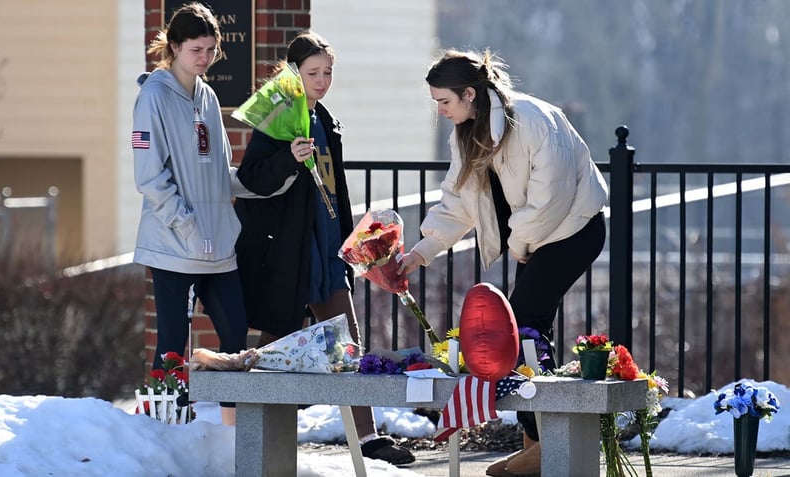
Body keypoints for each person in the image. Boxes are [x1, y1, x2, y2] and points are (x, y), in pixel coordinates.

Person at [397, 49, 609, 476]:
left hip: (575, 227)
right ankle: (541, 442)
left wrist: (521, 243)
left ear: (470, 94)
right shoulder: (466, 133)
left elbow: (553, 194)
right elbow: (457, 201)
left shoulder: (532, 118)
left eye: (445, 101)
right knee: (528, 332)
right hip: (532, 239)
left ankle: (551, 441)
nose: (440, 112)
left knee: (522, 324)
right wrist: (420, 251)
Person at [233, 31, 415, 466]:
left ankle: (367, 437)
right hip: (290, 251)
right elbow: (252, 178)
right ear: (293, 73)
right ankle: (250, 432)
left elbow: (336, 189)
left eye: (328, 71)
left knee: (346, 342)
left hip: (327, 247)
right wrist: (288, 158)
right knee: (274, 344)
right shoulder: (279, 117)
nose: (322, 80)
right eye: (313, 72)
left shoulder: (327, 121)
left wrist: (350, 246)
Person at [132, 2, 258, 427]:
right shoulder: (153, 96)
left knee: (235, 335)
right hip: (175, 244)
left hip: (218, 245)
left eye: (210, 49)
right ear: (174, 47)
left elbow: (219, 171)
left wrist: (269, 181)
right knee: (171, 343)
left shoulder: (207, 94)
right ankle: (163, 430)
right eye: (195, 50)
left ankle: (231, 433)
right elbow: (150, 178)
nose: (204, 58)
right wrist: (186, 224)